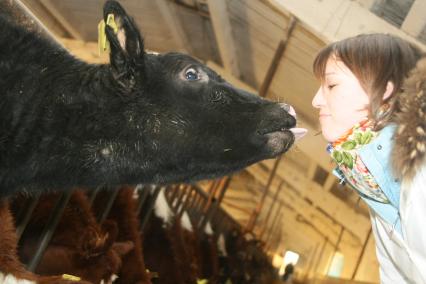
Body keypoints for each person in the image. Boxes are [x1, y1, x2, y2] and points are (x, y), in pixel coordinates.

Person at [311, 33, 426, 283]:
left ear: (385, 90)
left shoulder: (421, 172)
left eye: (331, 85)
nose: (316, 100)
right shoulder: (375, 187)